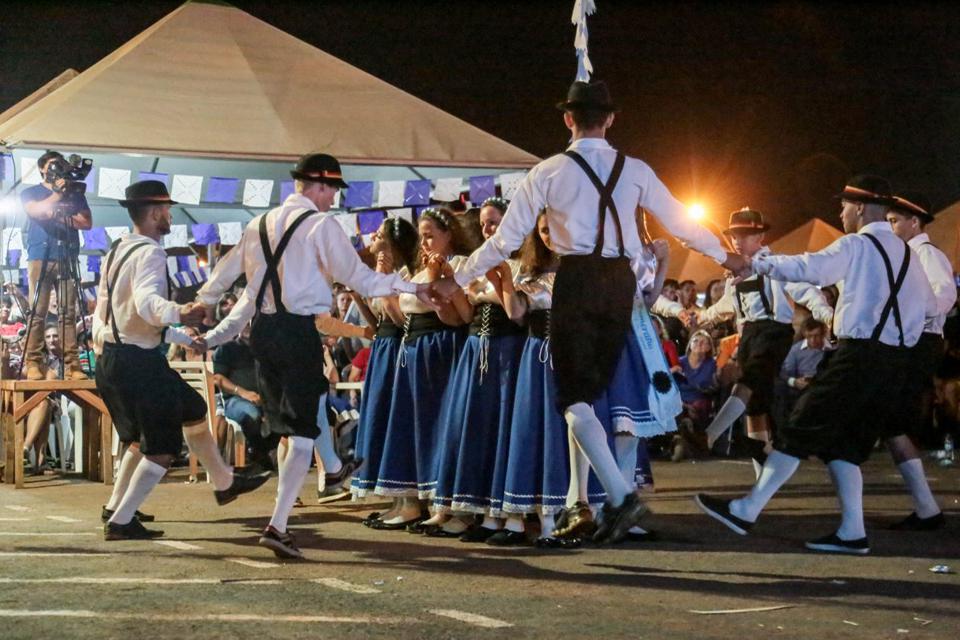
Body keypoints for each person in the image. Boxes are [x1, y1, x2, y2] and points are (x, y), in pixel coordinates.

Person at [430, 80, 746, 543]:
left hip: (577, 280)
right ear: (611, 119)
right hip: (619, 280)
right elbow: (682, 223)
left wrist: (454, 279)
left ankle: (616, 498)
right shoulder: (635, 169)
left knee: (573, 397)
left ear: (567, 119)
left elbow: (504, 241)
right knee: (599, 391)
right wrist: (728, 257)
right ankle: (599, 499)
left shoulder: (549, 171)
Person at [200, 154, 436, 558]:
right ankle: (280, 523)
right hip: (296, 332)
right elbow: (358, 277)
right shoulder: (321, 225)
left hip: (264, 333)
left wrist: (203, 304)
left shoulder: (258, 224)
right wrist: (411, 287)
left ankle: (328, 473)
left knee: (295, 425)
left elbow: (224, 274)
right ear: (320, 187)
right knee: (305, 427)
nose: (333, 201)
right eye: (332, 192)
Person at [695, 175, 936, 555]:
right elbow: (929, 309)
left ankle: (746, 509)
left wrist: (759, 263)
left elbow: (811, 269)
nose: (840, 212)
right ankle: (852, 533)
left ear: (859, 208)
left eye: (843, 206)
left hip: (860, 355)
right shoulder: (908, 254)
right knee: (844, 446)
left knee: (800, 424)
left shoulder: (858, 244)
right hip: (896, 361)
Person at [94, 180, 269, 541]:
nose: (170, 215)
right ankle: (121, 520)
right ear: (157, 212)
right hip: (137, 362)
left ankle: (222, 482)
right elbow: (146, 305)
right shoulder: (152, 254)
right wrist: (181, 313)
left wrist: (177, 336)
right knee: (161, 446)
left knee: (191, 407)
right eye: (168, 210)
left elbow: (118, 315)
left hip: (115, 357)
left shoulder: (116, 251)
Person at [699, 209, 834, 478]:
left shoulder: (775, 264)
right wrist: (703, 316)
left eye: (745, 235)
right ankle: (763, 479)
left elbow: (806, 290)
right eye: (734, 235)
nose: (738, 240)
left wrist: (827, 315)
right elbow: (728, 305)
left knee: (748, 381)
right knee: (755, 406)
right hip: (749, 334)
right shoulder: (734, 269)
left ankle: (709, 436)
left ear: (760, 236)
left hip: (773, 332)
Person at [427, 197, 527, 542]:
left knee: (501, 430)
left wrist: (497, 280)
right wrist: (446, 296)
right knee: (474, 429)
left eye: (495, 221)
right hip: (475, 348)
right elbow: (464, 316)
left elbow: (518, 312)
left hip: (507, 351)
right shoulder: (475, 263)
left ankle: (503, 511)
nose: (488, 229)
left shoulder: (520, 265)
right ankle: (476, 508)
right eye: (485, 223)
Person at [369, 208, 471, 531]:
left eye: (429, 235)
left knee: (442, 429)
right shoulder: (416, 273)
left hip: (441, 349)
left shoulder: (459, 265)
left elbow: (458, 317)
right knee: (419, 428)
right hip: (416, 350)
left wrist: (440, 283)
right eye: (422, 235)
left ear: (448, 235)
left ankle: (447, 507)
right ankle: (423, 503)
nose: (424, 241)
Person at [883, 192, 953, 530]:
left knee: (894, 422)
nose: (890, 226)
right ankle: (926, 508)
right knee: (892, 423)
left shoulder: (925, 254)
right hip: (910, 340)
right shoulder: (905, 256)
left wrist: (913, 319)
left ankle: (928, 509)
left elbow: (945, 294)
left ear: (915, 222)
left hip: (921, 341)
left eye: (895, 220)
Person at [350, 217, 418, 523]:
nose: (371, 239)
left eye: (377, 235)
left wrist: (382, 278)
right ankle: (396, 498)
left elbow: (401, 318)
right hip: (383, 347)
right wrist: (357, 295)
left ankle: (410, 501)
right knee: (380, 419)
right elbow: (376, 323)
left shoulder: (403, 275)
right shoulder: (384, 274)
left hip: (398, 350)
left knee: (396, 420)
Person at [19, 151, 92, 380]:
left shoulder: (75, 191)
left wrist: (53, 214)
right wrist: (56, 196)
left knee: (68, 313)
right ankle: (33, 363)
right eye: (52, 165)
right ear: (42, 169)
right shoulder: (30, 191)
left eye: (60, 165)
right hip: (40, 255)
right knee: (37, 312)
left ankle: (73, 366)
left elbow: (86, 222)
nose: (57, 169)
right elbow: (34, 210)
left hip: (67, 255)